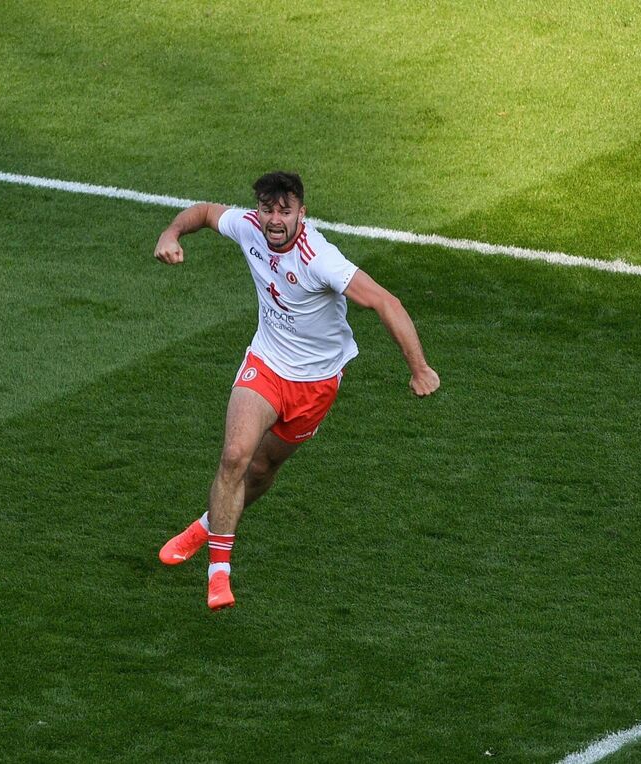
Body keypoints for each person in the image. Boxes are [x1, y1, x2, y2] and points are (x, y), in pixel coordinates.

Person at [153, 171, 440, 610]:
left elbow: (387, 302)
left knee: (262, 470)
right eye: (268, 209)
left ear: (301, 215)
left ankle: (206, 526)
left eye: (284, 211)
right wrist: (171, 233)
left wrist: (419, 369)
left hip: (315, 384)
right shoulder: (249, 225)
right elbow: (206, 213)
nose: (273, 220)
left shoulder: (319, 258)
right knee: (235, 456)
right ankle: (218, 576)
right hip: (265, 363)